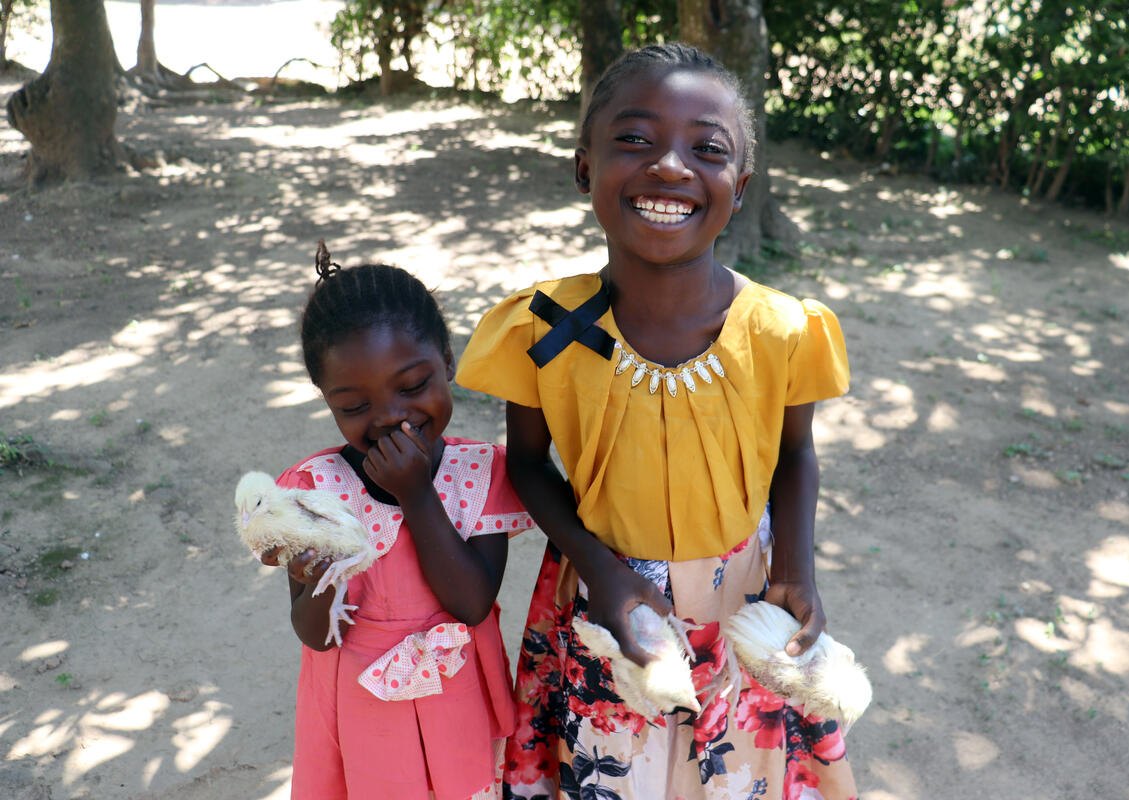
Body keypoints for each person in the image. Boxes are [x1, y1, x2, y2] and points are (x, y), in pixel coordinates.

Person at [456, 44, 859, 799]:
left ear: (738, 190)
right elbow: (527, 464)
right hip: (604, 598)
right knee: (611, 767)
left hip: (741, 600)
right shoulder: (543, 325)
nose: (670, 166)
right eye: (635, 140)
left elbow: (795, 453)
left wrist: (797, 568)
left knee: (735, 772)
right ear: (585, 168)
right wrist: (601, 569)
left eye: (705, 150)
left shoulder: (782, 330)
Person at [261, 242, 534, 800]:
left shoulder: (479, 473)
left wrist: (415, 494)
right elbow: (314, 635)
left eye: (411, 387)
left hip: (456, 697)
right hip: (361, 709)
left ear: (447, 360)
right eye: (354, 407)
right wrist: (318, 584)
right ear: (326, 399)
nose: (389, 417)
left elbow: (472, 603)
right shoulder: (313, 494)